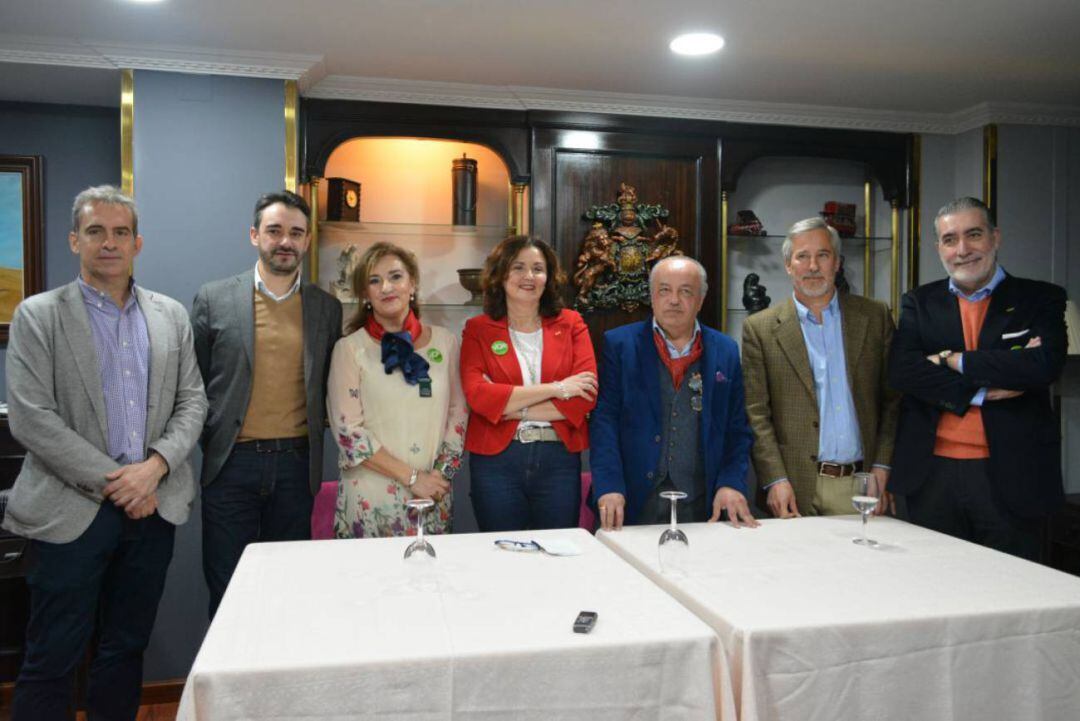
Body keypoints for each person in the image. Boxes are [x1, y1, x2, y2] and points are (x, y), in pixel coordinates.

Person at [2, 186, 206, 721]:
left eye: (120, 232)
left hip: (153, 511)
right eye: (96, 231)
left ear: (137, 243)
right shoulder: (38, 316)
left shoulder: (170, 315)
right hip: (70, 513)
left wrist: (154, 469)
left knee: (125, 648)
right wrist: (121, 483)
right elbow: (31, 417)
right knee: (52, 655)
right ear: (76, 240)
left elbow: (193, 401)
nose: (109, 243)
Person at [889, 197, 1066, 559]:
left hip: (1014, 476)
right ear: (939, 247)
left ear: (995, 237)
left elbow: (1043, 365)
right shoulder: (919, 302)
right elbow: (903, 371)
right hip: (932, 475)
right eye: (950, 239)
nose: (963, 250)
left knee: (1014, 584)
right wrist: (981, 391)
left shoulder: (1040, 298)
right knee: (936, 583)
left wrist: (951, 360)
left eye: (973, 235)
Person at [192, 190, 341, 617]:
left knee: (287, 588)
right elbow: (194, 385)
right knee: (227, 588)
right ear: (254, 235)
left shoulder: (326, 308)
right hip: (231, 465)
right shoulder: (214, 298)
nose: (285, 241)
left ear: (307, 240)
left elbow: (328, 385)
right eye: (274, 231)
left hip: (296, 466)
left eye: (296, 233)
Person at [742, 217, 900, 518]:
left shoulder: (875, 317)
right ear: (788, 265)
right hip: (793, 487)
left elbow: (893, 400)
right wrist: (774, 479)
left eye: (823, 255)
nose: (813, 266)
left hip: (862, 484)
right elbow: (756, 413)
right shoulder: (760, 329)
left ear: (837, 262)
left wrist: (882, 465)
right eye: (802, 256)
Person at [590, 256, 757, 530]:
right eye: (664, 290)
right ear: (652, 296)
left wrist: (731, 483)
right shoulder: (619, 345)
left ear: (700, 300)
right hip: (630, 500)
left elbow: (737, 429)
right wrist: (609, 486)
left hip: (704, 501)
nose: (674, 300)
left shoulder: (726, 350)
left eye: (686, 291)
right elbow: (604, 423)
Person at [326, 242, 466, 537]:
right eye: (374, 281)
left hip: (432, 495)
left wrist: (438, 477)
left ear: (412, 284)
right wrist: (413, 478)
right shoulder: (349, 349)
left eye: (395, 277)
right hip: (371, 498)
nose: (386, 287)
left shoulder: (446, 343)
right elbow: (349, 433)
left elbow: (458, 415)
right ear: (365, 294)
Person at [460, 235, 597, 531]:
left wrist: (509, 407)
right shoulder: (478, 329)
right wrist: (558, 388)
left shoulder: (571, 323)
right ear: (501, 274)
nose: (529, 276)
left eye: (538, 269)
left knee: (557, 549)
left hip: (558, 460)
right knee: (502, 550)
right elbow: (478, 396)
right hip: (497, 462)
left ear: (548, 277)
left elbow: (584, 397)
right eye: (518, 267)